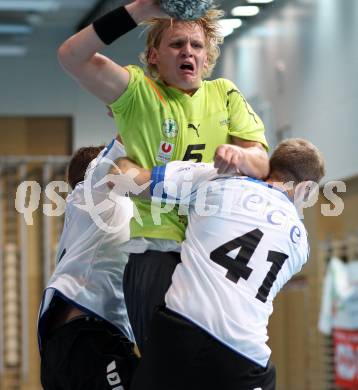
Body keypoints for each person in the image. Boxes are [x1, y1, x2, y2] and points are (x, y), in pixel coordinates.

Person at [57, 0, 270, 351]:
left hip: (214, 254)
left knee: (219, 365)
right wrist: (141, 10)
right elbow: (71, 56)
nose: (188, 51)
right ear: (154, 55)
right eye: (176, 44)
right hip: (157, 253)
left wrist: (242, 155)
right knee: (166, 368)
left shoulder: (224, 94)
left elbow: (261, 162)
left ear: (206, 56)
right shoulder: (138, 94)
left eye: (196, 45)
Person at [108, 138, 325, 390]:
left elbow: (121, 179)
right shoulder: (300, 245)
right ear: (306, 188)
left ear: (269, 167)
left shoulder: (218, 179)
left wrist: (123, 152)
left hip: (180, 335)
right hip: (243, 356)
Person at [38, 140, 138, 390]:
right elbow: (125, 136)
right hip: (87, 341)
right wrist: (132, 104)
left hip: (75, 346)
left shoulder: (92, 219)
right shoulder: (96, 194)